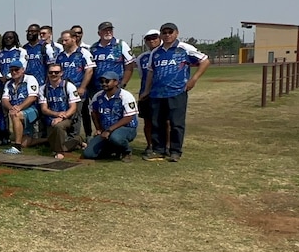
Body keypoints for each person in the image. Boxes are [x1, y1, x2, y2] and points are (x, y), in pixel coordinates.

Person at [141, 22, 209, 163]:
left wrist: (193, 80)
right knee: (157, 123)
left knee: (176, 124)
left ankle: (175, 151)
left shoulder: (183, 48)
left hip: (177, 92)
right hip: (157, 94)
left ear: (176, 33)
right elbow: (150, 73)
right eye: (164, 33)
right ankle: (159, 150)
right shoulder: (156, 52)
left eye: (170, 32)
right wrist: (147, 90)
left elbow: (205, 61)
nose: (167, 35)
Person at [85, 21, 134, 137]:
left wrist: (123, 83)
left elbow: (129, 65)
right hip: (97, 88)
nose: (108, 32)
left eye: (110, 30)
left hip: (115, 87)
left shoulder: (120, 45)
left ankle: (117, 137)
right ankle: (101, 134)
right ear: (99, 33)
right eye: (105, 30)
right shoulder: (93, 48)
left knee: (115, 112)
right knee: (99, 113)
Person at [83, 70, 139, 161]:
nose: (104, 84)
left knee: (115, 137)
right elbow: (94, 112)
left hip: (127, 129)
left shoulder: (125, 96)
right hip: (106, 130)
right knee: (88, 154)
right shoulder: (98, 96)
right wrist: (98, 128)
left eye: (107, 81)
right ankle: (113, 149)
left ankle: (126, 151)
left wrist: (109, 130)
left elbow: (128, 118)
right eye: (102, 81)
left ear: (116, 82)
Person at [37, 63, 82, 158]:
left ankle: (59, 152)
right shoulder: (43, 88)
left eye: (56, 72)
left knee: (58, 127)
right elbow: (44, 109)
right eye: (51, 72)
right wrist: (57, 114)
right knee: (52, 142)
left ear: (61, 73)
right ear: (47, 74)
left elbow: (73, 107)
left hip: (67, 117)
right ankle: (77, 141)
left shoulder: (69, 86)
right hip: (50, 118)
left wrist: (62, 117)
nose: (53, 74)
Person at [134, 29, 164, 155]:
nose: (152, 41)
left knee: (165, 121)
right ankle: (150, 145)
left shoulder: (164, 53)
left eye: (154, 38)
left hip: (162, 93)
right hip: (146, 94)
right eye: (148, 39)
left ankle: (165, 146)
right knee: (148, 121)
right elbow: (143, 76)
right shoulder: (142, 58)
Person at [1, 63, 40, 153]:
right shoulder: (8, 83)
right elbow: (4, 100)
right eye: (12, 70)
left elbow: (32, 97)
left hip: (32, 109)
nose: (14, 72)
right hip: (18, 110)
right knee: (25, 143)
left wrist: (19, 108)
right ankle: (47, 140)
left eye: (17, 70)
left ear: (22, 70)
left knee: (16, 115)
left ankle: (17, 146)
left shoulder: (30, 79)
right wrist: (11, 108)